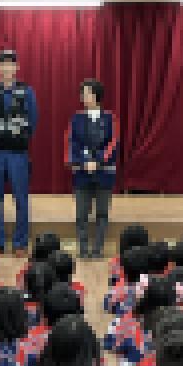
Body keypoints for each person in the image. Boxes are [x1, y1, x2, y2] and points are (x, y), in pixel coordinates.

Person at [0, 48, 39, 257]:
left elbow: (33, 120)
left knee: (21, 199)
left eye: (10, 64)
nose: (6, 68)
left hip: (17, 154)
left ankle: (20, 243)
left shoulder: (27, 92)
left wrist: (19, 139)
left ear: (16, 67)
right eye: (3, 64)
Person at [66, 78, 117, 259]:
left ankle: (98, 249)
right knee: (81, 213)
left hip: (104, 172)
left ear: (96, 95)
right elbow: (72, 142)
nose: (83, 96)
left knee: (102, 213)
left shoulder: (110, 118)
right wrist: (84, 161)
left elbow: (113, 143)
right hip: (82, 172)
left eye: (86, 93)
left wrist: (98, 161)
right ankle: (83, 248)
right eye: (82, 93)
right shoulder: (76, 119)